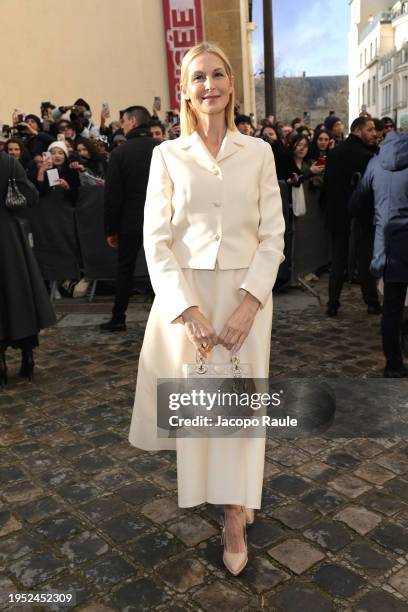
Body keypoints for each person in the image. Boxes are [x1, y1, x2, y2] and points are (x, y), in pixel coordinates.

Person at [128, 42, 285, 576]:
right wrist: (186, 310)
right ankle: (226, 504)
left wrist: (250, 303)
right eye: (199, 77)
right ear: (186, 90)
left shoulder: (259, 152)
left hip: (247, 299)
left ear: (231, 85)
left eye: (218, 75)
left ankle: (238, 514)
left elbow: (273, 236)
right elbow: (156, 241)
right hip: (190, 301)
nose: (209, 85)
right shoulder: (166, 156)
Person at [350, 132, 408, 377]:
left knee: (391, 309)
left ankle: (393, 364)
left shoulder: (374, 164)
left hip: (386, 247)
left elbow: (356, 202)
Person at [0, 152, 56, 385]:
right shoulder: (8, 162)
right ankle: (27, 356)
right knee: (19, 290)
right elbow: (31, 196)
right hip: (9, 238)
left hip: (9, 236)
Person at [100, 106, 157, 331]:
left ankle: (118, 317)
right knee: (161, 269)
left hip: (130, 222)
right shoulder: (163, 149)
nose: (121, 124)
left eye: (123, 120)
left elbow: (113, 196)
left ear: (132, 121)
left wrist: (110, 230)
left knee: (125, 269)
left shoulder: (121, 153)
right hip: (161, 220)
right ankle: (167, 318)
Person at [323, 116, 380, 316]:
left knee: (338, 260)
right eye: (371, 129)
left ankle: (332, 304)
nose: (375, 133)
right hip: (361, 214)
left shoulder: (335, 152)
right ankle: (371, 302)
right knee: (364, 259)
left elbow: (326, 187)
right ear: (358, 130)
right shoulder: (366, 156)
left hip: (338, 215)